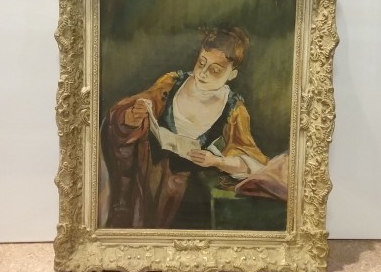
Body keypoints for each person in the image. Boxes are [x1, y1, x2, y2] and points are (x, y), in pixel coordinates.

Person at [100, 25, 268, 229]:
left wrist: (217, 161)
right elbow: (125, 114)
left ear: (232, 74)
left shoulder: (235, 109)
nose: (203, 73)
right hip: (146, 178)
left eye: (215, 70)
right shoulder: (172, 82)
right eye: (201, 63)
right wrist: (133, 117)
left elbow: (251, 161)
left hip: (187, 191)